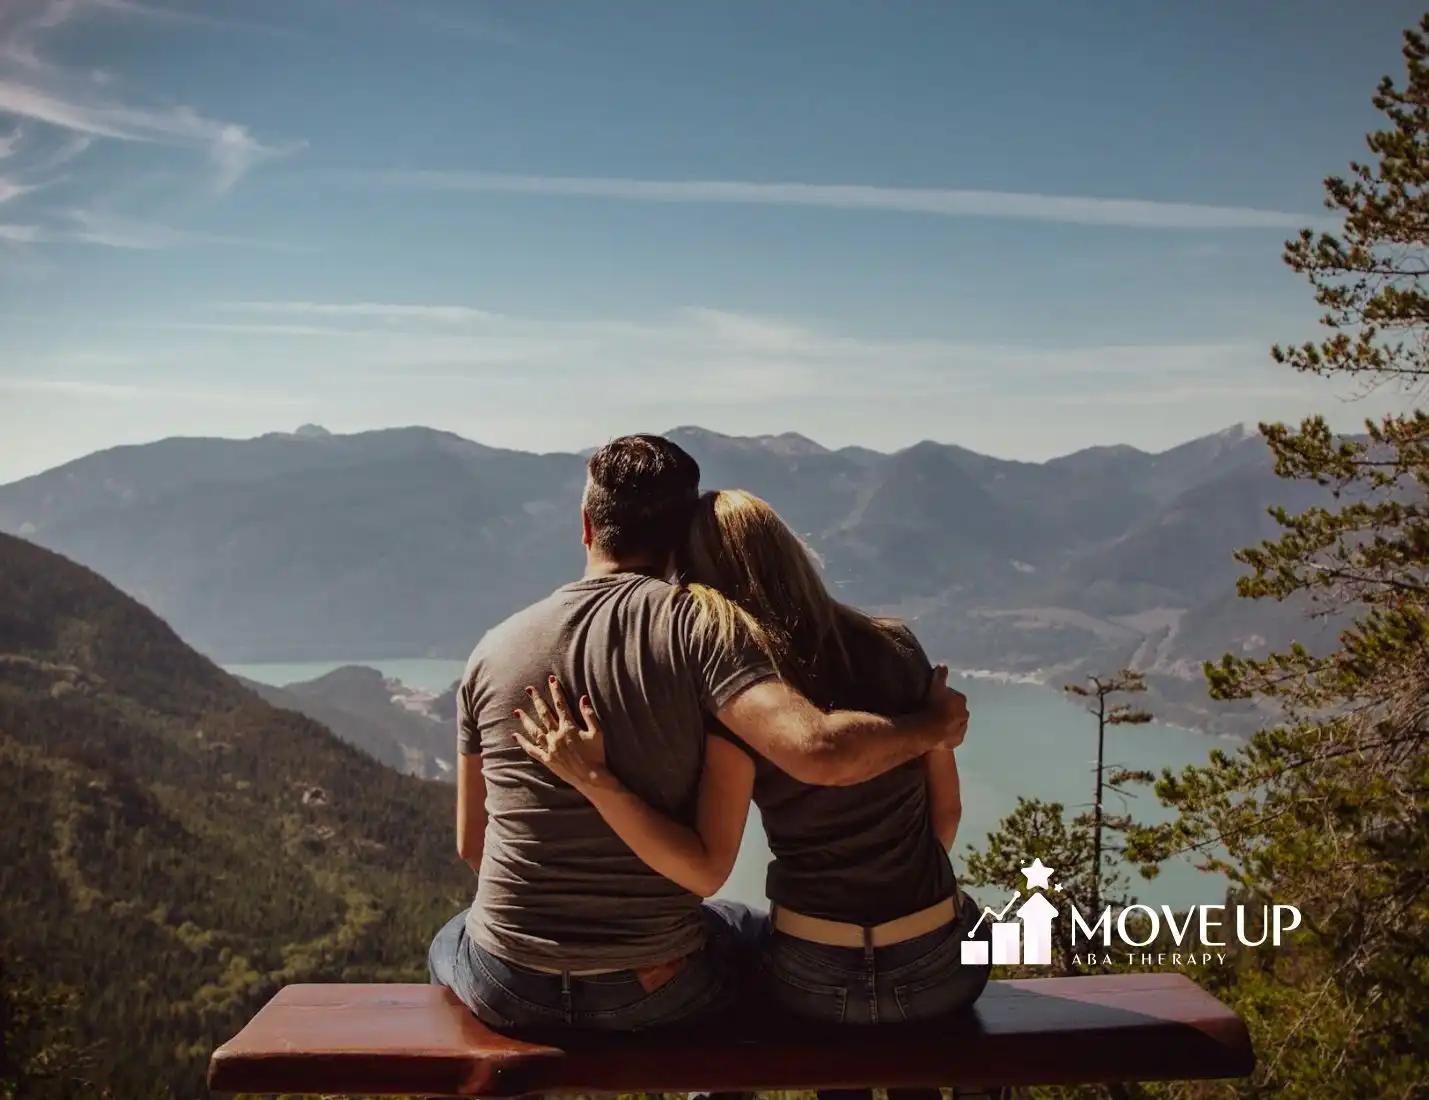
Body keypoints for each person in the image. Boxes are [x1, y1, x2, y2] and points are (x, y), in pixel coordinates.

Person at [428, 437, 971, 1037]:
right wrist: (931, 728)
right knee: (737, 929)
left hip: (510, 984)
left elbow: (473, 847)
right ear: (679, 535)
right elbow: (816, 758)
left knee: (450, 939)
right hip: (657, 986)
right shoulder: (703, 634)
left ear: (586, 525)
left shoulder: (490, 651)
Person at [514, 488, 991, 1100]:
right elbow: (944, 817)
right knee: (966, 928)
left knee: (739, 951)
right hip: (935, 968)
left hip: (815, 973)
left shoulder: (740, 701)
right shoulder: (896, 647)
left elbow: (713, 856)